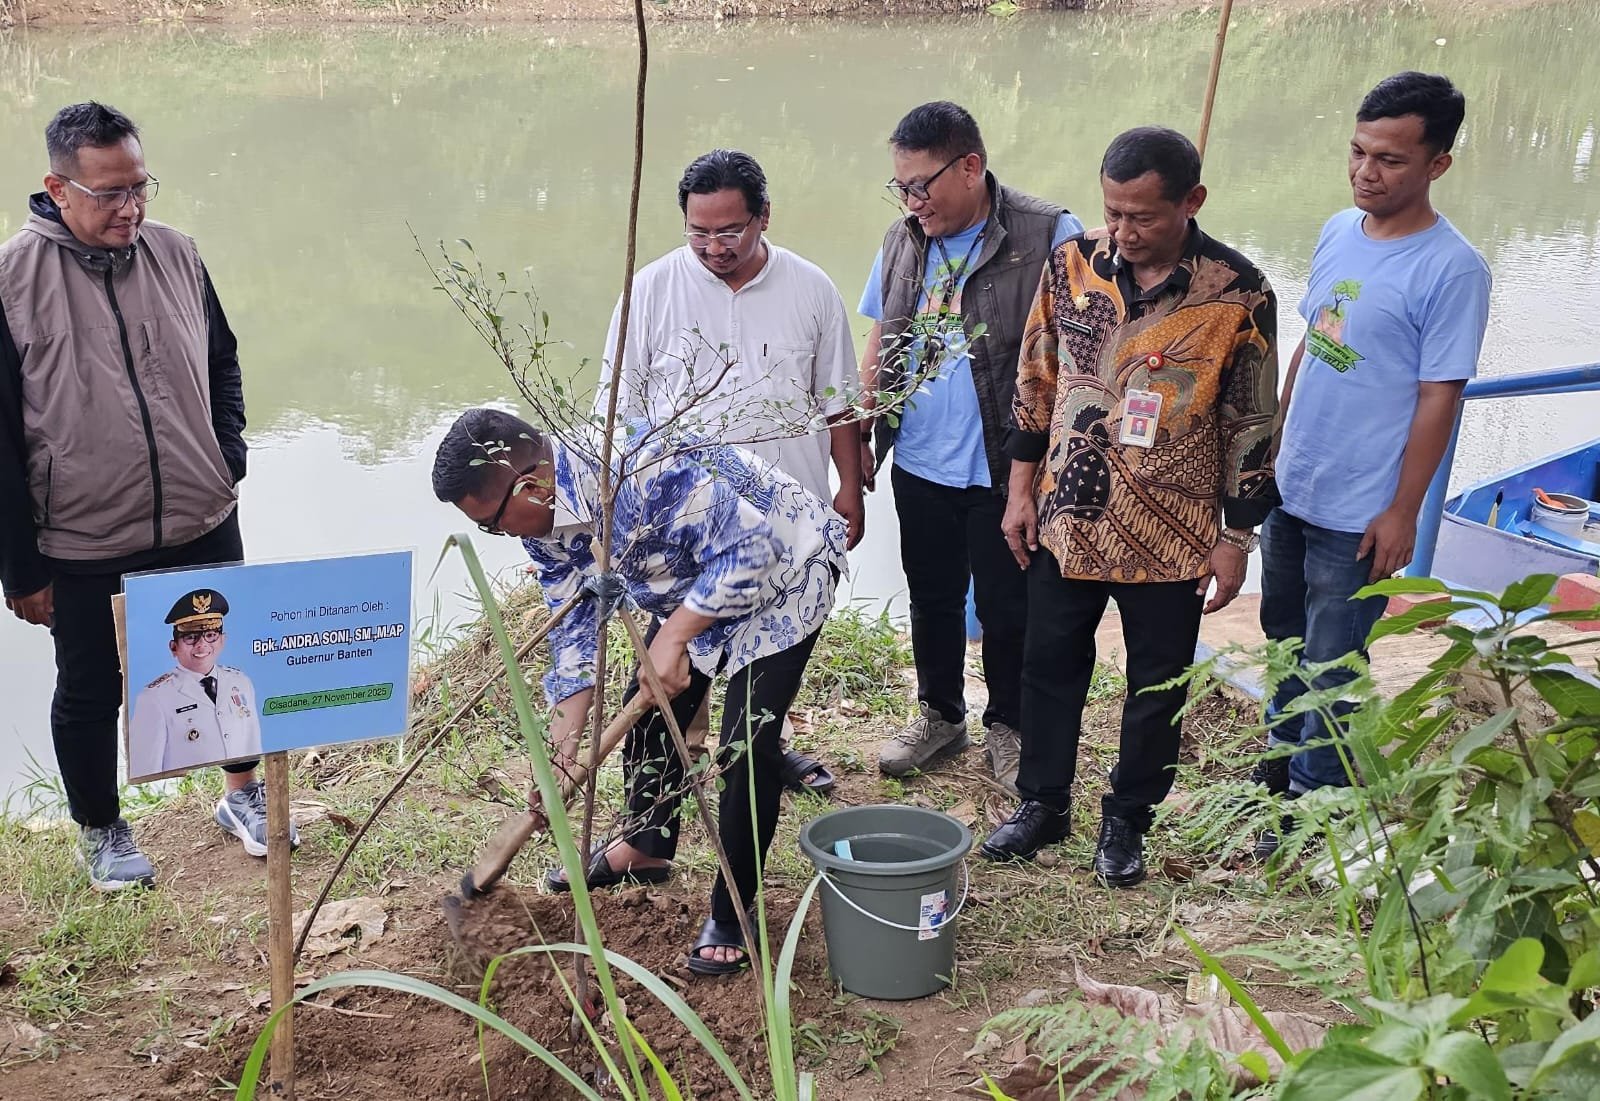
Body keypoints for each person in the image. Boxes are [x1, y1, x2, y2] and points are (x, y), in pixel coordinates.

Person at [432, 407, 847, 976]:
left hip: (785, 570)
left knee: (744, 747)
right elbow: (575, 639)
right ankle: (647, 847)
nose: (499, 535)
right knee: (652, 713)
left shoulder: (640, 472)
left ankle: (733, 913)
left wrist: (675, 635)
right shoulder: (546, 527)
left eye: (494, 523)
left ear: (532, 483)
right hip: (698, 578)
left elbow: (752, 552)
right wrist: (560, 756)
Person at [0, 102, 293, 891]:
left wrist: (225, 457)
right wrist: (20, 569)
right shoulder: (11, 280)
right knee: (91, 688)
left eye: (140, 186)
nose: (131, 206)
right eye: (109, 193)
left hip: (201, 513)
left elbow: (224, 364)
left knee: (228, 662)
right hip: (85, 534)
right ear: (57, 188)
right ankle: (102, 829)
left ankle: (241, 796)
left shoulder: (177, 253)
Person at [982, 127, 1280, 887]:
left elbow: (1251, 425)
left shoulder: (1238, 294)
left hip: (1173, 530)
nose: (1122, 231)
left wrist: (1236, 537)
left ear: (1192, 202)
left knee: (1156, 684)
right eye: (1113, 212)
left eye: (1142, 216)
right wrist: (1021, 492)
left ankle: (1129, 818)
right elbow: (1036, 382)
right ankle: (1044, 802)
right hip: (1069, 518)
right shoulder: (1070, 264)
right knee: (1047, 665)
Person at [1255, 72, 1491, 852]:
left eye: (1389, 159)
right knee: (1283, 633)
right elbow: (1310, 347)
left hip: (1361, 507)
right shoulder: (1335, 230)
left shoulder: (1453, 268)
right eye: (1357, 152)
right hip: (1295, 485)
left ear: (1437, 164)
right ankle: (1278, 773)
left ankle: (1317, 810)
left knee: (1334, 657)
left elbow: (1438, 397)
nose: (1365, 171)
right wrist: (1274, 442)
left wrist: (1402, 509)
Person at [596, 148, 861, 797]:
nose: (714, 246)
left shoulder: (811, 290)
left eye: (730, 230)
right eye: (699, 231)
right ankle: (648, 823)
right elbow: (615, 413)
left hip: (780, 531)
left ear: (764, 216)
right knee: (663, 682)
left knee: (763, 673)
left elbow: (838, 404)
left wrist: (849, 487)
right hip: (684, 535)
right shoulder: (651, 291)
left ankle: (763, 755)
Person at [858, 101, 1082, 793]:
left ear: (971, 167)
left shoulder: (1046, 231)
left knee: (1009, 602)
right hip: (921, 458)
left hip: (1003, 461)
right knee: (932, 595)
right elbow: (881, 336)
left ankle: (1008, 725)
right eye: (900, 186)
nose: (911, 200)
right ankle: (940, 714)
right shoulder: (905, 238)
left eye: (921, 185)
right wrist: (867, 428)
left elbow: (1078, 351)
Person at [128, 589, 264, 791]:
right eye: (191, 637)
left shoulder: (241, 682)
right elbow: (146, 770)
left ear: (222, 640)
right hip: (180, 788)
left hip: (238, 789)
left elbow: (252, 745)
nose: (202, 645)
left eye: (210, 635)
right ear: (174, 647)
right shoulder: (154, 697)